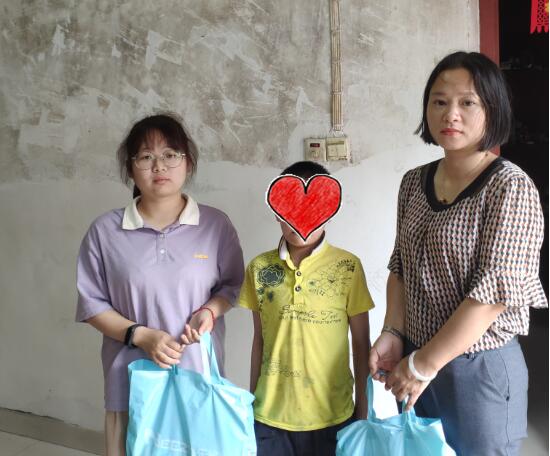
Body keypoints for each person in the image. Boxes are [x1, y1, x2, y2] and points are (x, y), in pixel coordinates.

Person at [368, 51, 547, 456]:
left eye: (468, 102)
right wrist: (393, 334)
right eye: (439, 101)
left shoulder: (509, 187)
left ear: (492, 109)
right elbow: (401, 267)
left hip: (477, 369)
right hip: (416, 357)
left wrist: (423, 365)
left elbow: (492, 297)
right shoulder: (413, 182)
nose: (451, 114)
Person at [76, 113, 244, 456]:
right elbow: (92, 305)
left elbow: (231, 286)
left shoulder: (215, 225)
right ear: (131, 168)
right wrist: (141, 336)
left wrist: (210, 311)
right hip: (131, 382)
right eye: (146, 156)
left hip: (198, 378)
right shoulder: (105, 231)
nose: (159, 166)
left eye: (170, 154)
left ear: (188, 162)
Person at [240, 161, 373, 456]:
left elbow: (361, 344)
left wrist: (363, 413)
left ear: (329, 210)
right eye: (289, 208)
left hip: (334, 416)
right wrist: (251, 401)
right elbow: (259, 340)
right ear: (276, 212)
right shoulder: (259, 268)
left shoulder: (348, 267)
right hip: (269, 418)